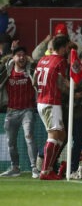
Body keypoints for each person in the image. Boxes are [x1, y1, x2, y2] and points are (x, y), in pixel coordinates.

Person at [34, 35, 70, 180]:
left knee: (61, 135)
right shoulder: (61, 61)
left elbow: (35, 80)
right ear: (62, 48)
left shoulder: (43, 59)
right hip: (51, 102)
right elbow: (62, 83)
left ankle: (49, 168)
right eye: (67, 48)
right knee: (54, 135)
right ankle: (45, 171)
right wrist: (74, 89)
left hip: (42, 100)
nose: (68, 50)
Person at [0, 46, 38, 178]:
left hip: (27, 110)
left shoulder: (32, 70)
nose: (21, 58)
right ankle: (15, 168)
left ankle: (34, 168)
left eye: (23, 55)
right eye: (18, 55)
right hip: (11, 111)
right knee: (10, 142)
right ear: (13, 57)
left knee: (29, 137)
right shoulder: (6, 71)